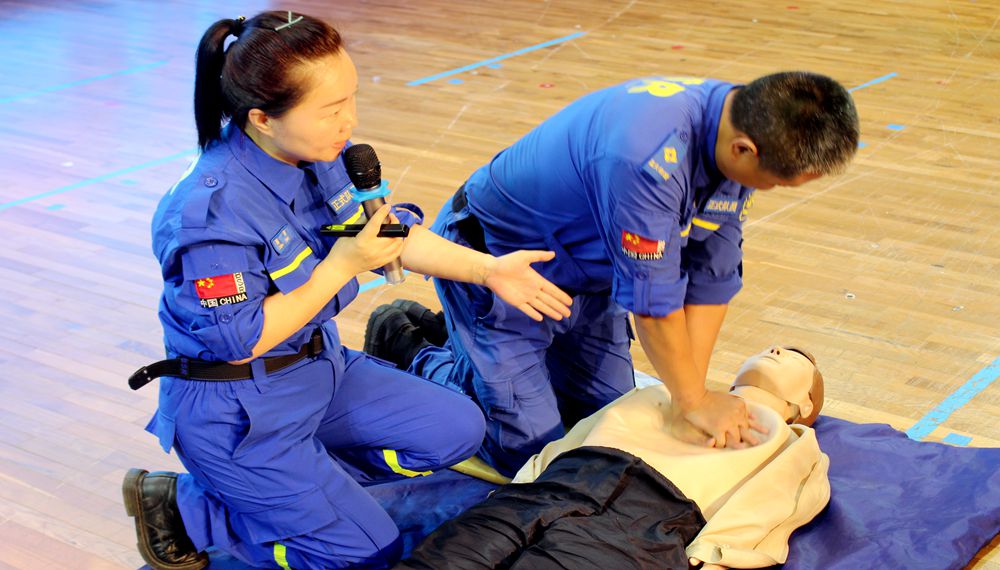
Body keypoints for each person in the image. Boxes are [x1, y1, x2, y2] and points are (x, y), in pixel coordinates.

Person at [121, 11, 572, 570]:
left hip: (318, 372)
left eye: (351, 100)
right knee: (363, 551)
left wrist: (489, 271)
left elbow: (389, 238)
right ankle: (196, 512)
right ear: (261, 118)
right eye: (331, 110)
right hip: (240, 411)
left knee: (458, 430)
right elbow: (243, 340)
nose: (348, 122)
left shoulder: (319, 154)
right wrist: (342, 267)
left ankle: (296, 495)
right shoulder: (209, 214)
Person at [367, 72, 859, 475]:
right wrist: (692, 400)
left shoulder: (742, 124)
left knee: (605, 419)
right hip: (503, 270)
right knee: (530, 453)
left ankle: (475, 355)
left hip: (588, 276)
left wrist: (692, 395)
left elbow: (711, 277)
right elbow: (653, 304)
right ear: (746, 150)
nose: (769, 190)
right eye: (774, 182)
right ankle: (412, 344)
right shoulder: (646, 155)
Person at [396, 345, 828, 570]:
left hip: (644, 523)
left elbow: (783, 503)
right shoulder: (669, 391)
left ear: (806, 402)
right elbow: (580, 435)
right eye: (772, 346)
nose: (774, 349)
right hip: (559, 484)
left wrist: (712, 553)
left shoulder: (794, 440)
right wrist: (526, 485)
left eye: (793, 356)